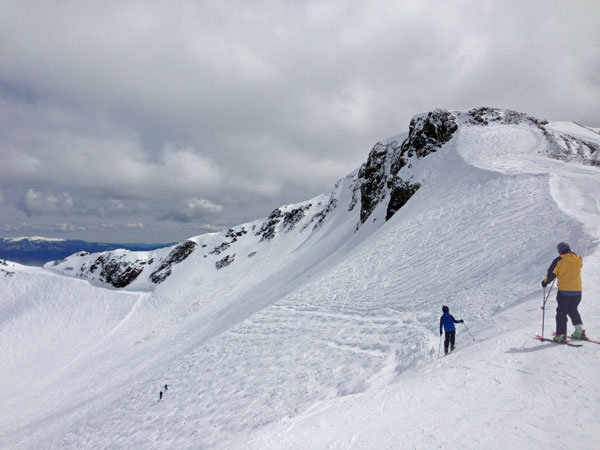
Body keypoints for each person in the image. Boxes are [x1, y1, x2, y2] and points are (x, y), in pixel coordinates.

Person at [542, 242, 584, 341]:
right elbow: (579, 267)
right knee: (573, 310)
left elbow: (551, 274)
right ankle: (579, 331)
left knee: (561, 312)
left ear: (560, 251)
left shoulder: (559, 260)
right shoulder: (579, 258)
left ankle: (560, 335)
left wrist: (545, 282)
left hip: (564, 292)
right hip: (577, 291)